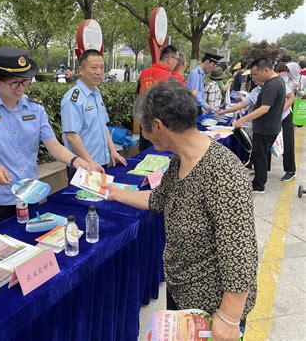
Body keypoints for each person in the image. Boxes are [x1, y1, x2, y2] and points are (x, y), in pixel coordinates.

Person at [105, 82, 257, 341]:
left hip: (212, 308)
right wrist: (112, 192)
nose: (144, 134)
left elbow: (240, 251)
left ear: (159, 126)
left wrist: (229, 318)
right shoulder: (178, 162)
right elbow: (159, 199)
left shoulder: (223, 172)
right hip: (182, 292)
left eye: (144, 127)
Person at [0, 47, 93, 226]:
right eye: (15, 83)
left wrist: (76, 161)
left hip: (30, 195)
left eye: (25, 82)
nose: (21, 88)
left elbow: (53, 145)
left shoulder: (35, 108)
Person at [61, 49, 127, 182]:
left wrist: (113, 151)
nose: (99, 72)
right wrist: (89, 162)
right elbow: (72, 136)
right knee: (83, 202)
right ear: (81, 70)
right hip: (83, 165)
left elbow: (103, 125)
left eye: (102, 68)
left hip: (100, 161)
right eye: (94, 68)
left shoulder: (96, 93)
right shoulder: (73, 99)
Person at [234, 58, 286, 193]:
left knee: (260, 156)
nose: (254, 77)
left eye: (256, 74)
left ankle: (259, 185)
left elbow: (264, 108)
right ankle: (258, 180)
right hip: (268, 126)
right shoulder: (276, 81)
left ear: (266, 70)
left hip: (265, 128)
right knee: (260, 155)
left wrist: (242, 120)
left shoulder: (272, 85)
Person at [136, 45, 180, 151]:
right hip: (159, 125)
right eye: (177, 59)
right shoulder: (169, 78)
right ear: (169, 59)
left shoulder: (144, 72)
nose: (177, 63)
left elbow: (138, 93)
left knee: (143, 152)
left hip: (144, 120)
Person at [273, 62, 296, 181]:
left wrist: (281, 110)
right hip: (273, 116)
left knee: (287, 143)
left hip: (285, 116)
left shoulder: (280, 82)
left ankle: (290, 170)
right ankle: (258, 168)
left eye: (282, 72)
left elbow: (291, 97)